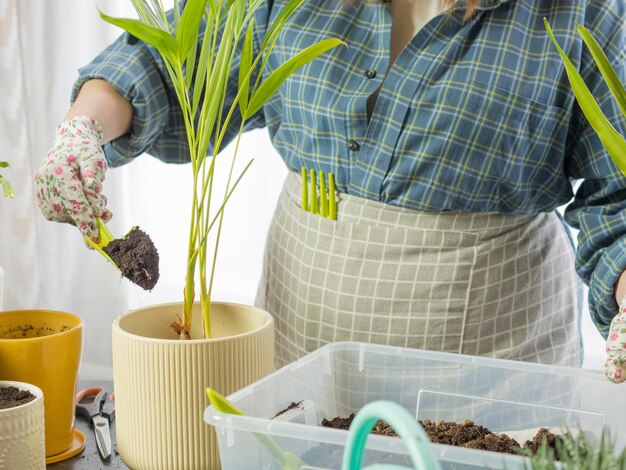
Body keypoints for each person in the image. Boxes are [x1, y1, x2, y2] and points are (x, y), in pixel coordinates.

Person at [35, 0, 626, 379]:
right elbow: (176, 62)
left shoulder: (585, 13)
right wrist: (84, 128)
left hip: (493, 382)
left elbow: (619, 197)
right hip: (300, 362)